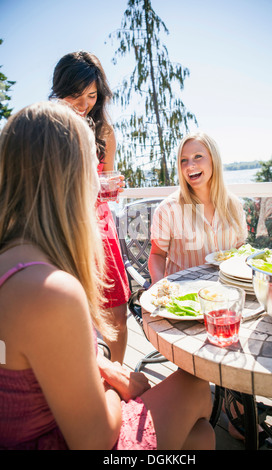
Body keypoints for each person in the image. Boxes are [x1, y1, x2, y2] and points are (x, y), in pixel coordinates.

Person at [0, 102, 215, 450]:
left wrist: (102, 364)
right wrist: (116, 387)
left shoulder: (13, 264)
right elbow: (95, 440)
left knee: (200, 437)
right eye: (91, 170)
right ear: (72, 178)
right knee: (195, 386)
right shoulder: (48, 290)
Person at [49, 51, 130, 363]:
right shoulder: (50, 130)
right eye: (75, 96)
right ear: (59, 92)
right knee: (68, 317)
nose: (84, 105)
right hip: (62, 232)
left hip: (101, 230)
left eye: (92, 96)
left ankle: (117, 379)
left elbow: (106, 184)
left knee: (117, 315)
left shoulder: (105, 133)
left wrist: (112, 188)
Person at [149, 131, 248, 284]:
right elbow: (157, 255)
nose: (190, 165)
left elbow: (240, 248)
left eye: (198, 156)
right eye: (183, 160)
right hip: (185, 295)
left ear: (213, 160)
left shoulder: (234, 205)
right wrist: (157, 286)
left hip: (228, 290)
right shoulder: (168, 209)